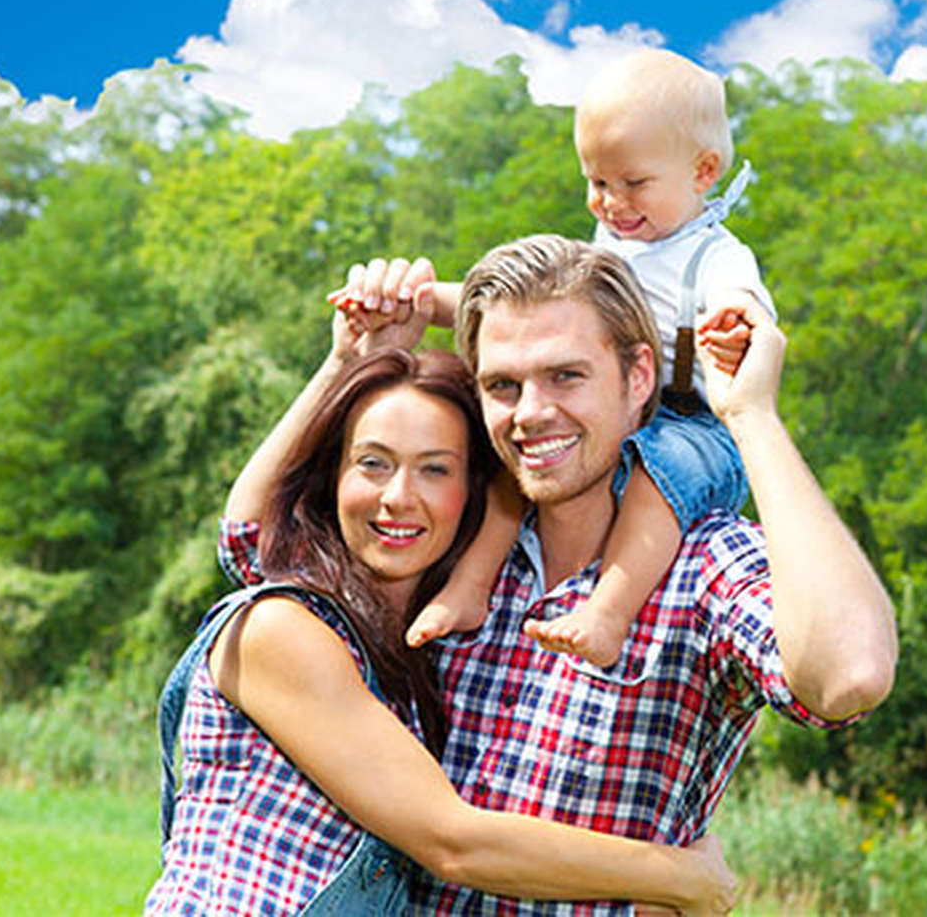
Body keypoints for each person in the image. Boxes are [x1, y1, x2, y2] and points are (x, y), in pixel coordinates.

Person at [281, 234, 897, 914]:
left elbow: (848, 677)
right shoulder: (450, 549)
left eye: (566, 376)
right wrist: (352, 359)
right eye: (502, 386)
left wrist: (752, 418)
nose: (532, 412)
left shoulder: (702, 567)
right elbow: (253, 550)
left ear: (638, 379)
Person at [147, 295, 737, 915]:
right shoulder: (279, 628)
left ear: (474, 493)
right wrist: (680, 876)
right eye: (373, 464)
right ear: (334, 477)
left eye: (435, 470)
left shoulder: (416, 649)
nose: (398, 498)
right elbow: (451, 841)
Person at [341, 49, 773, 670]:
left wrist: (732, 322)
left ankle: (608, 613)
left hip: (692, 420)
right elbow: (522, 315)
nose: (611, 203)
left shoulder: (713, 256)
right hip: (617, 407)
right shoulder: (611, 245)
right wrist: (419, 300)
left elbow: (741, 300)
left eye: (633, 183)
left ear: (702, 171)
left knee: (660, 480)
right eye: (597, 183)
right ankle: (469, 587)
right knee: (514, 460)